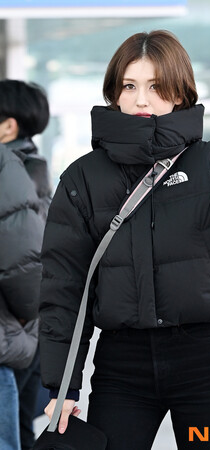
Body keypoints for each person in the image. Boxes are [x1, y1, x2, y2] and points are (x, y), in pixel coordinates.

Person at [40, 30, 210, 450]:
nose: (142, 99)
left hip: (204, 359)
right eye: (130, 85)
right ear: (114, 93)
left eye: (157, 86)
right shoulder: (81, 179)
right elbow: (64, 289)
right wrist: (62, 388)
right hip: (121, 367)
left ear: (180, 92)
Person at [0, 79, 51, 450]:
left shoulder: (7, 167)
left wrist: (22, 316)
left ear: (8, 125)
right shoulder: (32, 166)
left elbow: (24, 259)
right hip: (28, 332)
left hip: (14, 330)